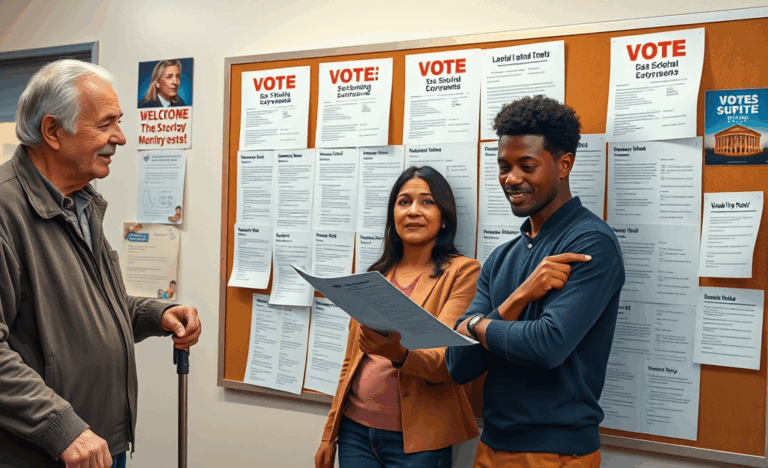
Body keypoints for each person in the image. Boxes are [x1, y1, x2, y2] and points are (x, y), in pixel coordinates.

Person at [0, 59, 202, 468]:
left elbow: (90, 309)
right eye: (106, 123)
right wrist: (61, 426)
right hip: (48, 450)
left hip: (99, 442)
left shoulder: (82, 203)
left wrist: (154, 314)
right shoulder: (6, 212)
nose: (121, 138)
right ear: (53, 131)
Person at [446, 95, 625, 468]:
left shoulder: (591, 243)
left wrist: (476, 324)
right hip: (491, 444)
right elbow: (458, 365)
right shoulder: (502, 257)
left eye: (526, 166)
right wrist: (519, 298)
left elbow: (547, 345)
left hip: (557, 453)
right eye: (504, 167)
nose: (511, 179)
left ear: (564, 164)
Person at [316, 166, 480, 468]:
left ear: (444, 216)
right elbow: (350, 362)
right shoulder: (375, 276)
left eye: (427, 202)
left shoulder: (462, 272)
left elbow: (447, 360)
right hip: (355, 431)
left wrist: (399, 354)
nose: (413, 211)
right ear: (393, 214)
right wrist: (329, 436)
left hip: (419, 441)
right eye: (404, 202)